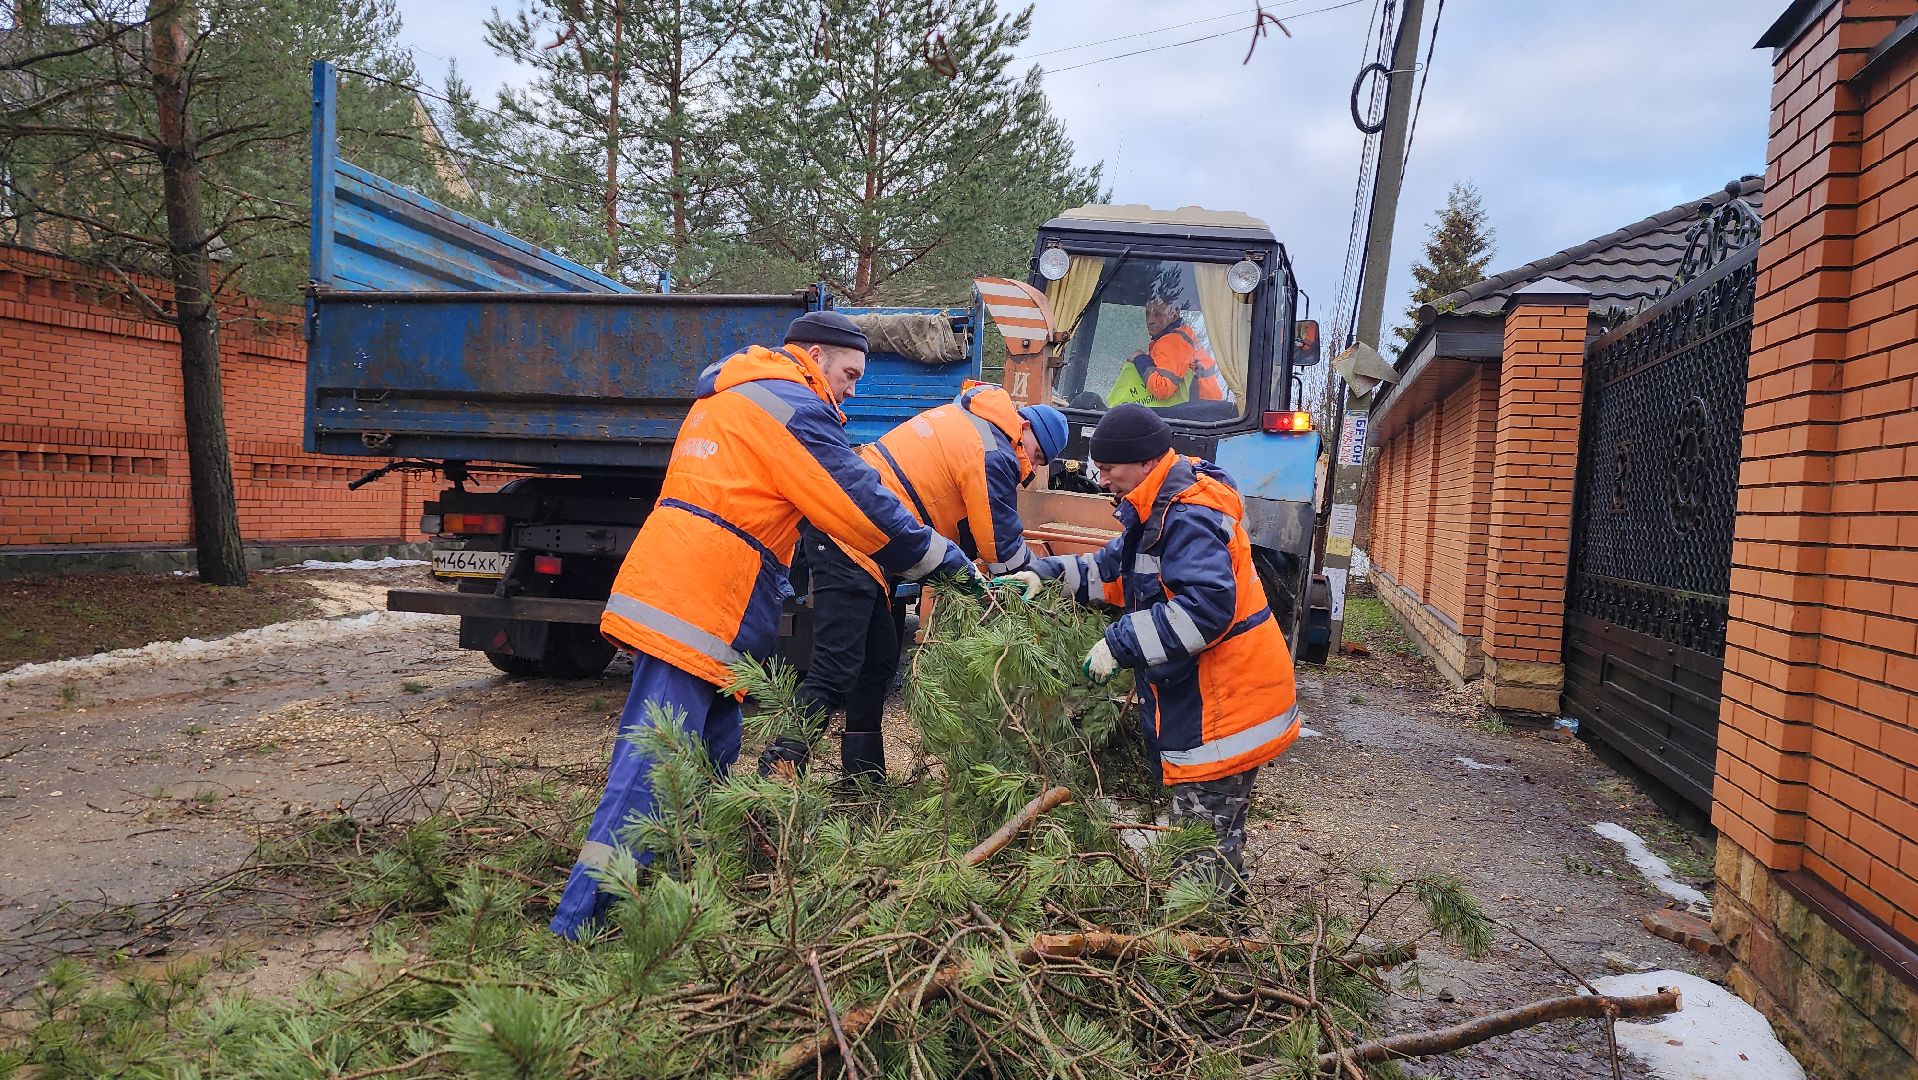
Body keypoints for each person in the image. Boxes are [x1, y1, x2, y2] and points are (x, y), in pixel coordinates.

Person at [551, 310, 977, 940]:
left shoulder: (744, 394)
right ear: (815, 356)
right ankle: (583, 925)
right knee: (654, 771)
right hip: (697, 605)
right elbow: (859, 501)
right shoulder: (790, 407)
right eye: (850, 374)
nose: (853, 389)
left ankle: (677, 911)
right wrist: (949, 564)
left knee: (712, 758)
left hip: (707, 599)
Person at [1010, 403, 1298, 894]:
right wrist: (1045, 575)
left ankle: (1205, 927)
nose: (1102, 480)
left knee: (1199, 854)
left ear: (1145, 461)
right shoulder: (1157, 507)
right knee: (1208, 841)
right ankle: (1219, 911)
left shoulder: (1188, 516)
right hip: (1210, 700)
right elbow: (1113, 571)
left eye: (1108, 468)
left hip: (1224, 707)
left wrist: (1119, 642)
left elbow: (1205, 612)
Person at [759, 384, 1071, 781]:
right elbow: (1002, 551)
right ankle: (776, 773)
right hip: (849, 535)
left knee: (878, 660)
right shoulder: (993, 448)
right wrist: (1038, 586)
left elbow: (966, 519)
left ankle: (863, 780)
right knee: (836, 666)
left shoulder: (973, 423)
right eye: (1037, 453)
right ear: (1024, 427)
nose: (1031, 464)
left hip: (864, 542)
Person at [1107, 295, 1227, 408]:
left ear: (1173, 315)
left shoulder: (1172, 341)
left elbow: (1162, 388)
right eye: (1147, 314)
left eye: (1157, 314)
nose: (1150, 320)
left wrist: (1139, 358)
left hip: (1196, 414)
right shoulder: (1183, 337)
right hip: (1207, 410)